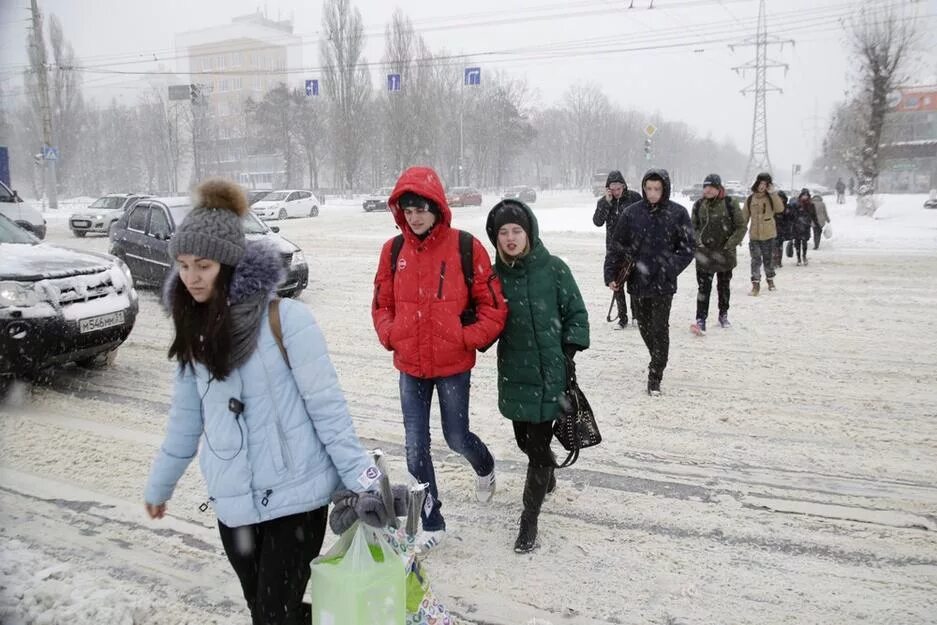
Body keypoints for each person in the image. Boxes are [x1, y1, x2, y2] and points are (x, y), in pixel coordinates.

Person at [144, 179, 384, 625]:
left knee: (273, 613)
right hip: (233, 505)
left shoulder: (286, 320)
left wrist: (365, 480)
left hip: (298, 499)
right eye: (183, 265)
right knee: (265, 610)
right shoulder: (194, 335)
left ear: (230, 264)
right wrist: (160, 486)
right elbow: (184, 422)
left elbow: (328, 409)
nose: (191, 277)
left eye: (203, 265)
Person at [372, 165, 507, 552]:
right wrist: (390, 334)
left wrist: (467, 338)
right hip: (410, 366)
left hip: (453, 366)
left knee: (456, 436)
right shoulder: (392, 250)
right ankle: (432, 519)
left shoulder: (466, 247)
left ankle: (484, 465)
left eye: (421, 208)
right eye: (408, 209)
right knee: (415, 446)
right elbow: (382, 304)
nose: (414, 217)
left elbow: (493, 307)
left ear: (438, 209)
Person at [484, 200, 589, 553]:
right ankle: (548, 473)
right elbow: (482, 318)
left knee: (539, 448)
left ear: (529, 233)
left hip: (550, 374)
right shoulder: (493, 279)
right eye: (503, 232)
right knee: (524, 442)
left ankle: (529, 520)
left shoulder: (554, 269)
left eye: (517, 231)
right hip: (515, 374)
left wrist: (568, 351)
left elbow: (576, 312)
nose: (510, 238)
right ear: (495, 237)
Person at [604, 169, 695, 396]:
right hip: (637, 281)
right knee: (644, 327)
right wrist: (611, 276)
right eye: (649, 188)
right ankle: (657, 356)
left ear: (665, 189)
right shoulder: (631, 213)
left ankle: (655, 375)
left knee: (660, 328)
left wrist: (669, 268)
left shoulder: (678, 213)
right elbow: (616, 246)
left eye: (657, 189)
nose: (653, 193)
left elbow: (688, 248)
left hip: (663, 284)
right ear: (644, 188)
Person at [690, 174, 746, 333]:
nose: (707, 190)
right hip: (704, 254)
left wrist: (729, 245)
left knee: (723, 286)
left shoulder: (730, 203)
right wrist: (697, 241)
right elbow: (692, 227)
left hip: (724, 254)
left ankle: (723, 314)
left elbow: (741, 227)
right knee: (703, 288)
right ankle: (700, 319)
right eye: (705, 187)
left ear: (718, 188)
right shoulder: (699, 204)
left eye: (711, 187)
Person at [593, 170, 641, 328]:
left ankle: (636, 316)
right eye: (612, 188)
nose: (616, 191)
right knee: (617, 284)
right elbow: (598, 222)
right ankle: (623, 318)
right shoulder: (604, 202)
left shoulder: (634, 198)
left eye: (618, 187)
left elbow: (645, 217)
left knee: (634, 285)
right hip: (614, 249)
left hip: (633, 248)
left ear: (624, 186)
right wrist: (607, 203)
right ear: (608, 189)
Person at [742, 172, 785, 295]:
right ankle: (755, 285)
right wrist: (740, 234)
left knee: (768, 260)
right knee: (755, 260)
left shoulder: (772, 198)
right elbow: (744, 218)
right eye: (761, 183)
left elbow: (780, 209)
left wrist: (773, 193)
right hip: (754, 236)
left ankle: (770, 281)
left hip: (769, 235)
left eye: (765, 184)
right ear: (757, 183)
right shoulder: (750, 199)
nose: (762, 186)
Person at [791, 188, 819, 266]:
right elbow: (792, 215)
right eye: (804, 195)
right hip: (797, 226)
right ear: (801, 195)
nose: (805, 197)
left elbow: (814, 215)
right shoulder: (796, 204)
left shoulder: (811, 205)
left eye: (806, 195)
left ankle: (804, 257)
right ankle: (798, 258)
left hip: (806, 226)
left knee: (804, 242)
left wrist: (816, 224)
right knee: (797, 243)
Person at [773, 190, 792, 269]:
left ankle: (779, 261)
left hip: (782, 229)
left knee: (779, 246)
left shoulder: (787, 207)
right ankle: (774, 261)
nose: (780, 200)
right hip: (773, 229)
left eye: (781, 198)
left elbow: (790, 219)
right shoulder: (773, 207)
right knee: (774, 246)